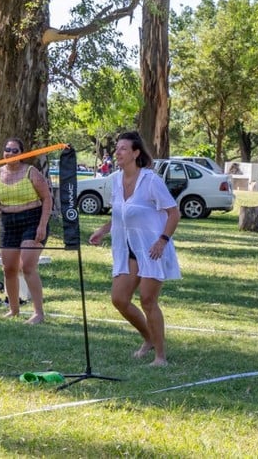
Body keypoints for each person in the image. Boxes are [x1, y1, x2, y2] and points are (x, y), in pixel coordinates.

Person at [89, 131, 180, 367]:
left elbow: (173, 212)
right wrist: (103, 230)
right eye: (116, 148)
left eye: (123, 148)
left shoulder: (151, 181)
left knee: (148, 300)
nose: (117, 152)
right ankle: (148, 339)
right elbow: (121, 214)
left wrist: (162, 240)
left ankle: (161, 357)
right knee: (119, 299)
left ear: (136, 153)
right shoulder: (116, 180)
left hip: (152, 248)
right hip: (128, 249)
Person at [0, 138, 52, 324]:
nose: (10, 153)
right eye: (7, 150)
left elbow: (47, 198)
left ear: (21, 153)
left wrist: (42, 225)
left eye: (15, 150)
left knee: (28, 266)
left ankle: (39, 313)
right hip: (8, 222)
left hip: (33, 219)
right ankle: (14, 310)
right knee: (9, 269)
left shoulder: (31, 172)